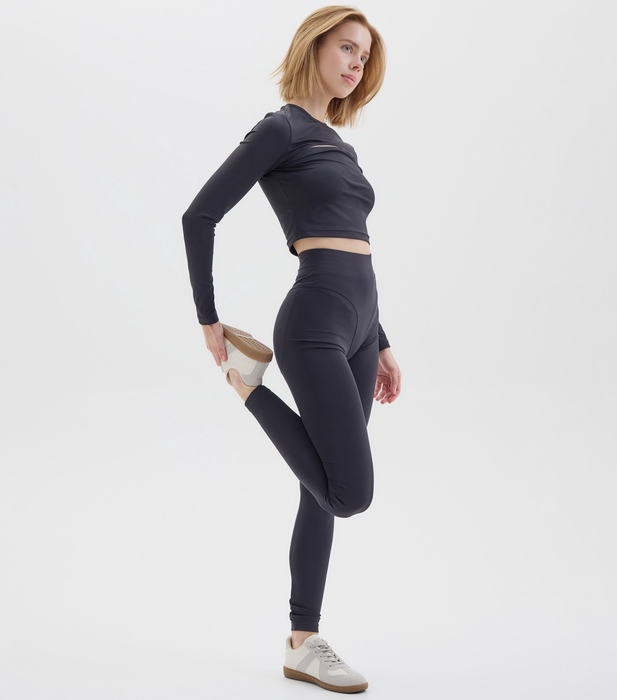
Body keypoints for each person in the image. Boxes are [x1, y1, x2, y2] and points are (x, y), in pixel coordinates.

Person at [182, 5, 401, 693]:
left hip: (359, 324)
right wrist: (208, 318)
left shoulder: (339, 144)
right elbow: (199, 215)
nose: (355, 64)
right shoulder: (280, 129)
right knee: (351, 494)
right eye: (346, 48)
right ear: (314, 47)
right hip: (312, 325)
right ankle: (248, 385)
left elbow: (357, 246)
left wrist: (382, 340)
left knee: (322, 489)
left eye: (364, 56)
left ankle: (304, 642)